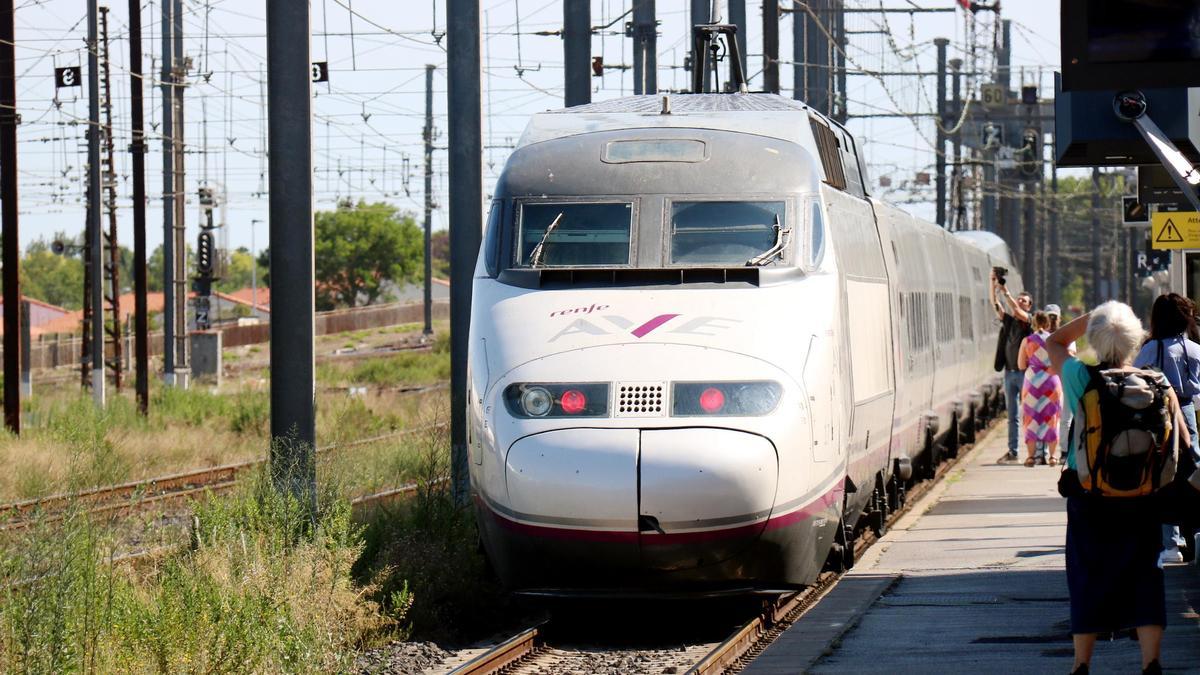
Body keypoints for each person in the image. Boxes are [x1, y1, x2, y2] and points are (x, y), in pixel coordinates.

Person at [1047, 301, 1190, 675]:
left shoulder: (1081, 377)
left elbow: (1055, 342)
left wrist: (1093, 315)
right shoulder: (1157, 382)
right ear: (1136, 340)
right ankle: (1151, 661)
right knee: (1146, 574)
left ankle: (1081, 664)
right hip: (1144, 497)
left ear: (1095, 338)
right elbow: (1184, 443)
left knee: (1087, 575)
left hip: (1089, 496)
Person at [1133, 292, 1200, 565]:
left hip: (1158, 415)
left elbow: (1136, 378)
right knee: (1193, 468)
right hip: (1188, 411)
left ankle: (1171, 542)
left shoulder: (1150, 349)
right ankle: (1196, 532)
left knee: (1164, 473)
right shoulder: (1195, 349)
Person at [990, 270, 1032, 463]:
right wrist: (993, 284)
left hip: (1025, 374)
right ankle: (1013, 452)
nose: (1021, 302)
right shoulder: (1009, 322)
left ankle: (1036, 451)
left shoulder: (1029, 323)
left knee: (1031, 414)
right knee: (1013, 416)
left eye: (1024, 301)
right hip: (1009, 373)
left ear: (1029, 306)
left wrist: (1005, 290)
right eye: (1020, 299)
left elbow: (1017, 311)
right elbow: (996, 305)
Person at [1018, 311, 1062, 467]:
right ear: (1048, 324)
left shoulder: (1027, 340)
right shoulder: (1053, 340)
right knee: (1052, 418)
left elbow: (1021, 365)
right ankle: (1052, 457)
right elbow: (1060, 361)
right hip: (1051, 380)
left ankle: (1030, 457)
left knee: (1030, 418)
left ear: (1033, 324)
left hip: (1032, 382)